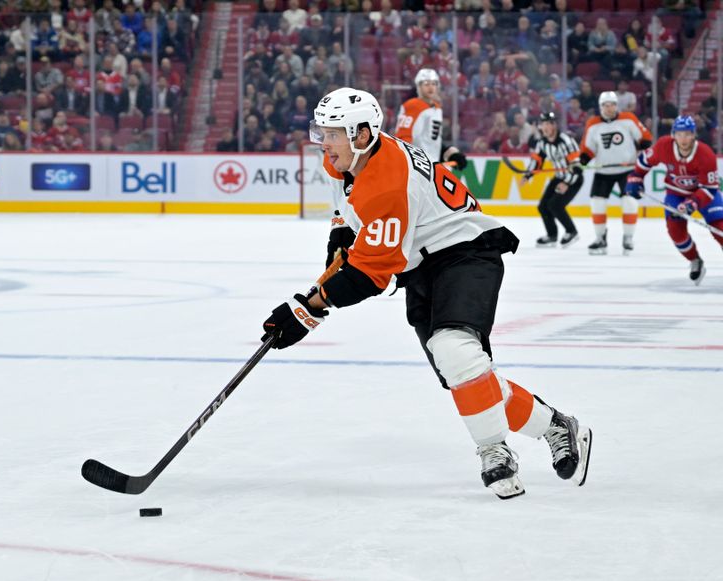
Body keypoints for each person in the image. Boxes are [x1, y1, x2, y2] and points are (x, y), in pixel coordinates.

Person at [261, 88, 593, 499]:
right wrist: (340, 237)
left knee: (455, 350)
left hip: (465, 253)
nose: (322, 142)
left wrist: (306, 310)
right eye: (322, 132)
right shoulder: (351, 159)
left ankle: (494, 450)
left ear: (362, 134)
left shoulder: (386, 180)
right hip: (421, 266)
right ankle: (555, 425)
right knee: (464, 375)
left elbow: (369, 275)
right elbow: (348, 211)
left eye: (332, 134)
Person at [626, 115, 723, 285]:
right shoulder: (664, 146)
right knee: (676, 233)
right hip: (676, 194)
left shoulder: (706, 153)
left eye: (687, 134)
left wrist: (692, 203)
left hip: (705, 195)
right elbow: (644, 162)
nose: (683, 138)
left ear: (694, 135)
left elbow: (709, 188)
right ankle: (695, 260)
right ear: (673, 134)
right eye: (679, 134)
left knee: (719, 227)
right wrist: (635, 177)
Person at [580, 92, 653, 255]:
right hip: (603, 170)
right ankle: (600, 238)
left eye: (612, 104)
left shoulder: (628, 118)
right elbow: (588, 147)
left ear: (616, 105)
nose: (609, 108)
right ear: (600, 107)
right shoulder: (593, 124)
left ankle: (628, 237)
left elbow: (645, 137)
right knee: (597, 203)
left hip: (626, 170)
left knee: (629, 202)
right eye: (605, 105)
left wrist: (644, 144)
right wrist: (585, 157)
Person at [525, 112, 583, 248]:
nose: (545, 127)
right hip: (559, 177)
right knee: (543, 206)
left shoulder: (567, 141)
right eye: (543, 124)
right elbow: (537, 161)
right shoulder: (542, 143)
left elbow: (577, 167)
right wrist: (528, 174)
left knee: (555, 205)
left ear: (554, 125)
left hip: (573, 179)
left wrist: (566, 183)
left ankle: (571, 231)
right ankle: (552, 236)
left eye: (548, 124)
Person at [394, 69, 467, 171]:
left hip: (431, 169)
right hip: (415, 169)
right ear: (418, 86)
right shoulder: (412, 106)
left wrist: (450, 153)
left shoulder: (436, 109)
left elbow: (432, 141)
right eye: (426, 83)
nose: (430, 87)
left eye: (434, 83)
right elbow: (402, 139)